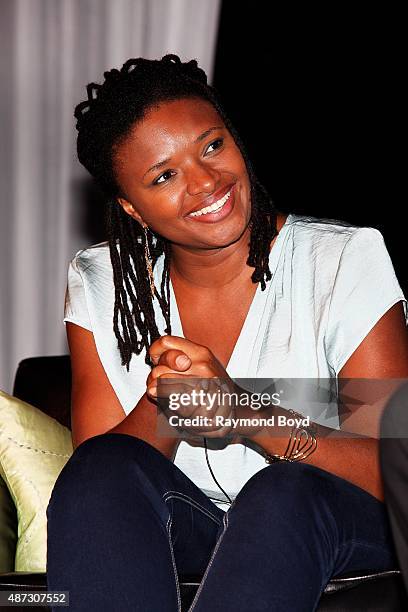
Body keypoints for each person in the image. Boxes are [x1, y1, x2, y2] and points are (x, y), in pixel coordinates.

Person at [46, 55, 408, 611]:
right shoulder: (102, 284)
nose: (206, 182)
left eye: (211, 146)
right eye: (164, 176)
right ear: (131, 208)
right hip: (196, 533)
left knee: (282, 491)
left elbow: (393, 470)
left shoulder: (340, 261)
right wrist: (171, 402)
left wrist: (244, 415)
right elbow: (106, 490)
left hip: (334, 524)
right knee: (99, 470)